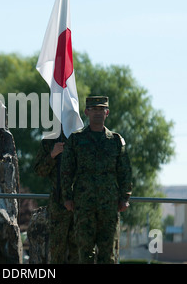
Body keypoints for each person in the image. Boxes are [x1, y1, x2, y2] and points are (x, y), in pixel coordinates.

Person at [61, 96, 132, 264]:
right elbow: (66, 171)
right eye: (94, 110)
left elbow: (125, 171)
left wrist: (125, 198)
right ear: (87, 112)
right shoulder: (76, 140)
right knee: (85, 253)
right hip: (83, 205)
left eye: (101, 110)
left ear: (107, 113)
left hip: (109, 205)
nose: (98, 113)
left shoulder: (115, 141)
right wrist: (67, 197)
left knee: (107, 255)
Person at [33, 132, 78, 263]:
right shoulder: (49, 140)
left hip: (81, 204)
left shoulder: (84, 138)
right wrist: (53, 154)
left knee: (80, 253)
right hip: (58, 205)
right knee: (57, 251)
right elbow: (39, 170)